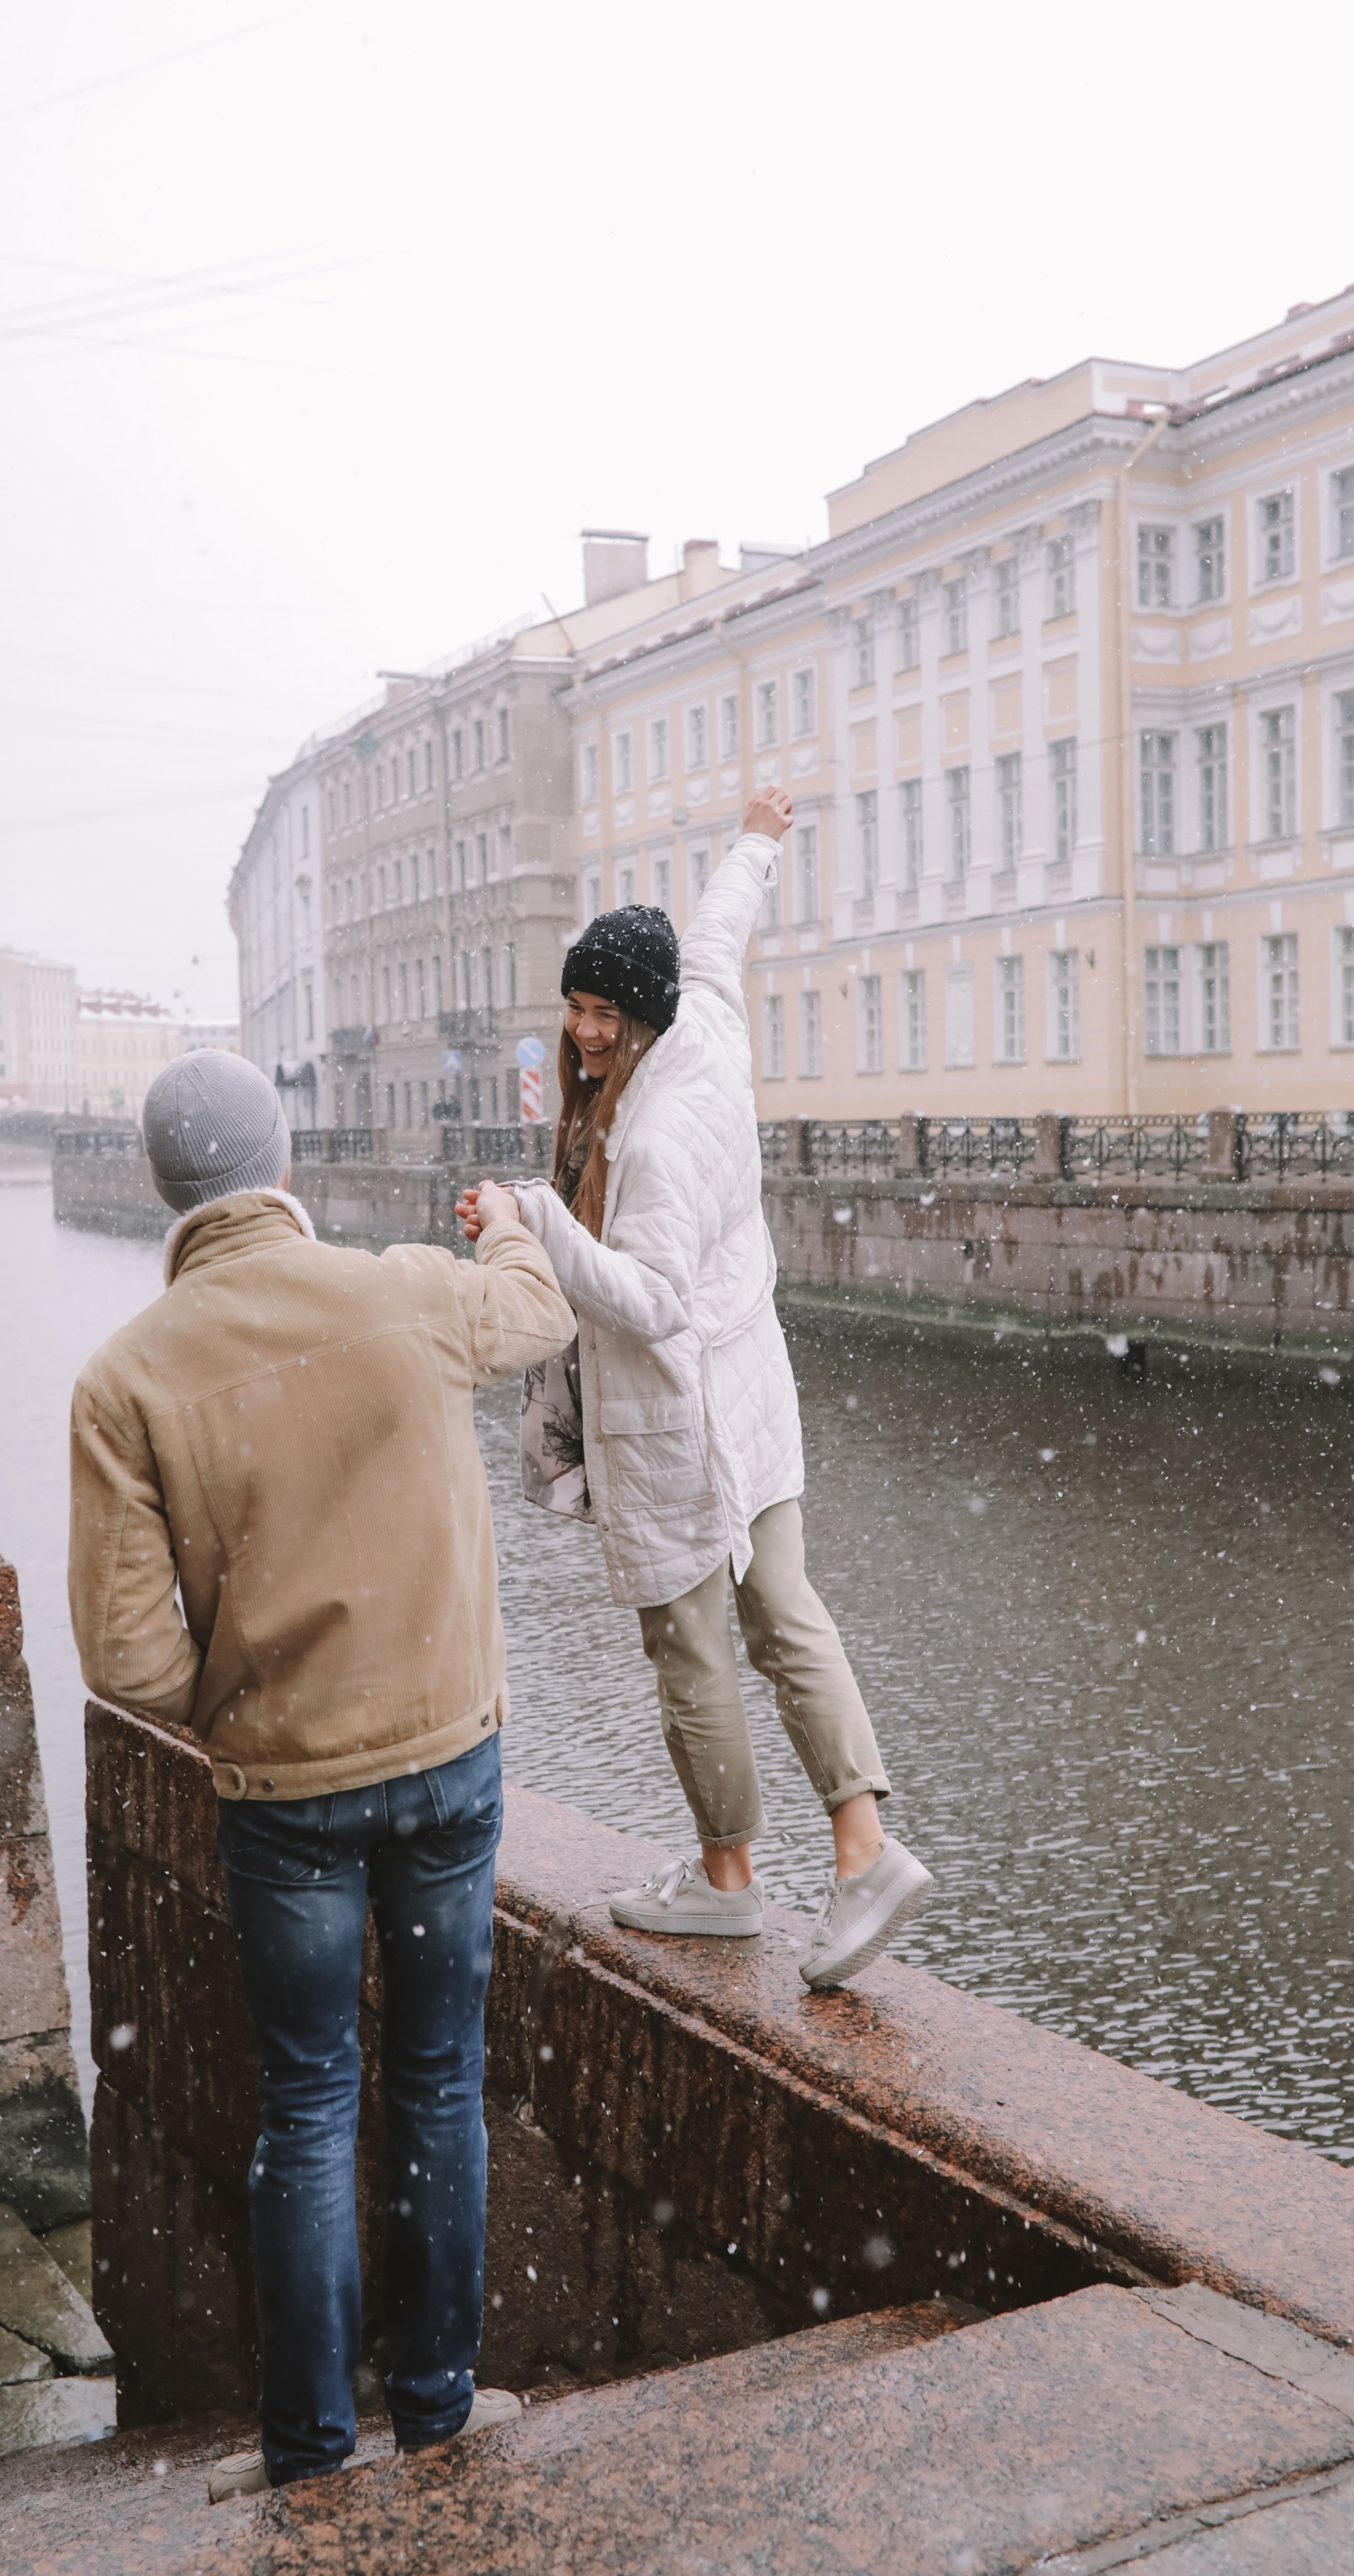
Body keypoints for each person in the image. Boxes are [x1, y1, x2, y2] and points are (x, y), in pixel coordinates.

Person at [68, 1050, 576, 2496]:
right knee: (436, 2085)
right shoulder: (400, 1290)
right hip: (445, 1762)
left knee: (306, 2107)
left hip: (282, 1799)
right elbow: (539, 1311)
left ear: (169, 1190)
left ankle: (306, 2453)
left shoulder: (128, 1377)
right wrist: (506, 1226)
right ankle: (434, 2407)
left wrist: (242, 1707)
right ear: (282, 1164)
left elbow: (123, 1660)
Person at [459, 789, 932, 1988]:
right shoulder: (707, 1017)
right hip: (752, 1390)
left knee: (693, 1649)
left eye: (602, 1011)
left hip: (678, 1417)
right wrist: (760, 837)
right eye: (573, 1007)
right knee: (785, 1612)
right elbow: (722, 928)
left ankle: (730, 1884)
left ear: (644, 1015)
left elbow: (651, 1298)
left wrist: (537, 1217)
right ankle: (862, 1846)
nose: (582, 1032)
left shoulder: (660, 1140)